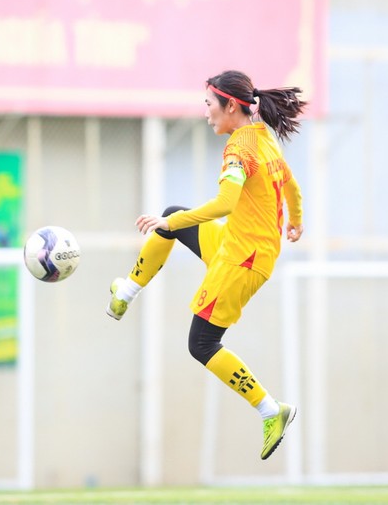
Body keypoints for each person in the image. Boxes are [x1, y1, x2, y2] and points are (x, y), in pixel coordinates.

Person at [106, 70, 306, 460]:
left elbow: (225, 203)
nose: (206, 113)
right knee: (172, 214)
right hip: (241, 244)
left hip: (241, 260)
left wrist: (170, 224)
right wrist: (296, 219)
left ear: (231, 105)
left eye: (209, 104)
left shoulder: (240, 149)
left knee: (201, 344)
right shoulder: (262, 138)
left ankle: (271, 410)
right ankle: (126, 291)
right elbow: (292, 186)